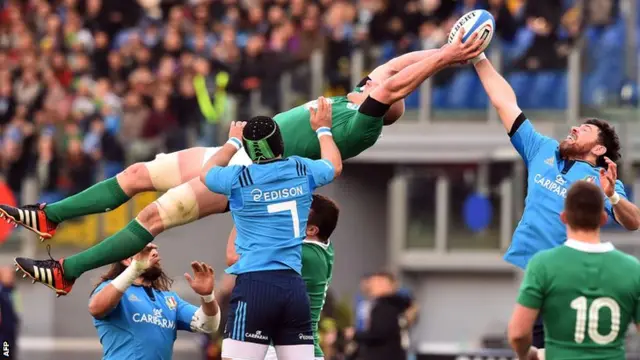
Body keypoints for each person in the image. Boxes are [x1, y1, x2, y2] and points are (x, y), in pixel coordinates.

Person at [8, 30, 485, 296]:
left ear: (382, 106)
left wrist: (448, 57)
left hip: (247, 174)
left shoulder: (363, 121)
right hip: (237, 148)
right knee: (137, 175)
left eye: (382, 91)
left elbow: (389, 87)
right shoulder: (354, 99)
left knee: (152, 216)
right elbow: (390, 69)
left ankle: (68, 271)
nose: (377, 82)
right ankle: (51, 216)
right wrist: (447, 44)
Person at [472, 50, 640, 349]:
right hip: (537, 276)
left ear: (599, 151)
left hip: (572, 277)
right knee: (536, 347)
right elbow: (505, 103)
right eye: (575, 126)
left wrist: (613, 195)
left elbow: (633, 221)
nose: (574, 128)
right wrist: (479, 58)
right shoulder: (542, 150)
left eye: (585, 129)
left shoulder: (599, 182)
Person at [201, 104, 341, 360]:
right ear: (280, 145)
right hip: (292, 286)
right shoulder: (300, 169)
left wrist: (232, 142)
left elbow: (206, 173)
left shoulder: (238, 179)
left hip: (256, 285)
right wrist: (323, 129)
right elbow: (334, 165)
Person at [507, 181, 640, 360]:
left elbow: (518, 334)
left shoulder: (543, 265)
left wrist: (529, 354)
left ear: (564, 217)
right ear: (603, 219)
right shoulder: (632, 269)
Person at [220, 193, 339, 360]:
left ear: (311, 230)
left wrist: (244, 210)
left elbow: (234, 257)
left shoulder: (301, 252)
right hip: (301, 349)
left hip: (281, 350)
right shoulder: (322, 246)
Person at [88, 243, 221, 360]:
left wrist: (207, 296)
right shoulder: (112, 289)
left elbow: (208, 325)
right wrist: (134, 270)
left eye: (154, 249)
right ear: (127, 260)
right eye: (146, 250)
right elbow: (96, 308)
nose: (155, 252)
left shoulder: (170, 299)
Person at [343, 272, 414, 360]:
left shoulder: (386, 307)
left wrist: (355, 334)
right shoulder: (393, 305)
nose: (372, 286)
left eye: (376, 283)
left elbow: (379, 333)